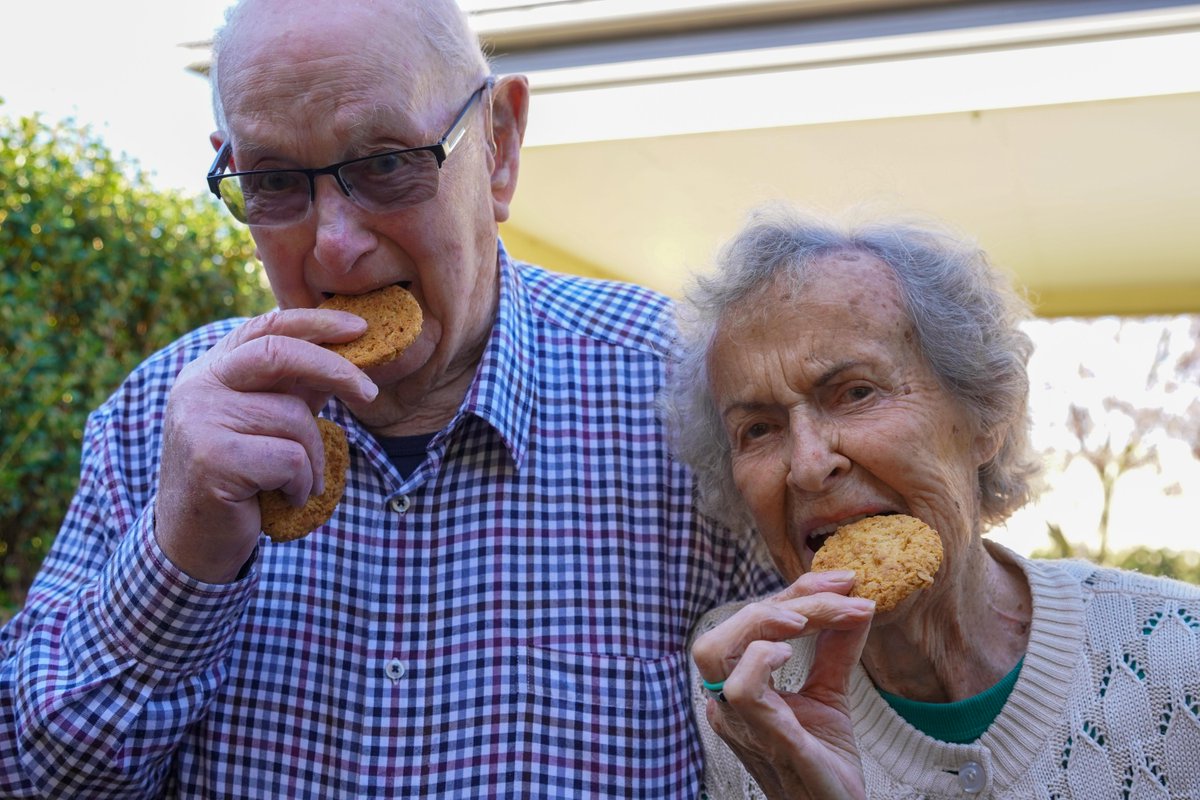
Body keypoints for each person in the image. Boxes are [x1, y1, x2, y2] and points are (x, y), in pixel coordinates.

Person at [0, 1, 782, 797]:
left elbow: (838, 727)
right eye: (274, 182)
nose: (335, 243)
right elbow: (34, 778)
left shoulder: (691, 396)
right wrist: (178, 560)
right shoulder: (158, 420)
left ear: (499, 146)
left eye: (385, 164)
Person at [660, 203, 1200, 799]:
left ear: (986, 415)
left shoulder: (1179, 654)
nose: (809, 466)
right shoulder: (733, 688)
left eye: (856, 392)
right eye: (758, 429)